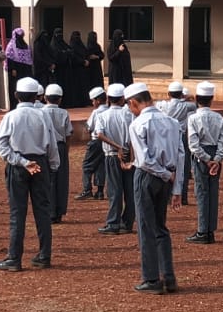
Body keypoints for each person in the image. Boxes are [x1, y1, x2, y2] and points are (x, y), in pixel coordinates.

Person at [0, 76, 58, 271]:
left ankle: (14, 257)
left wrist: (21, 162)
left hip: (19, 165)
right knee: (43, 211)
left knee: (17, 213)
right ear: (36, 97)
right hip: (40, 164)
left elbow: (1, 145)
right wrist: (52, 167)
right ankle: (44, 255)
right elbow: (52, 144)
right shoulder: (43, 115)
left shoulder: (11, 117)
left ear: (16, 96)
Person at [125, 82, 183, 294]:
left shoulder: (138, 124)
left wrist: (166, 174)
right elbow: (180, 155)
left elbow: (144, 160)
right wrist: (176, 187)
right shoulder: (172, 122)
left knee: (146, 228)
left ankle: (151, 278)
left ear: (133, 103)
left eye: (130, 107)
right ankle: (168, 276)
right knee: (160, 226)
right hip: (167, 177)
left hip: (148, 176)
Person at [186, 82, 223, 245]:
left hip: (201, 158)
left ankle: (203, 230)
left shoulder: (193, 118)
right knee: (213, 192)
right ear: (211, 99)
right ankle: (210, 230)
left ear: (197, 99)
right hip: (215, 156)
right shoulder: (218, 118)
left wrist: (206, 160)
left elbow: (193, 144)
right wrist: (216, 159)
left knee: (202, 193)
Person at [94, 84, 134, 234]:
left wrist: (116, 147)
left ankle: (113, 223)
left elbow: (99, 134)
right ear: (123, 98)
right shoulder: (129, 114)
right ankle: (127, 222)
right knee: (129, 190)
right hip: (129, 154)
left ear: (108, 99)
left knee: (114, 190)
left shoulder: (103, 115)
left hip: (111, 154)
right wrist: (126, 150)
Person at [158, 83, 196, 206]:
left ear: (168, 94)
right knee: (183, 166)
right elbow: (196, 103)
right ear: (181, 94)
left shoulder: (163, 105)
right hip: (180, 136)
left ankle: (167, 195)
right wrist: (187, 98)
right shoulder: (186, 106)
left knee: (167, 165)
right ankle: (182, 196)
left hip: (165, 138)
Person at [43, 84, 73, 224]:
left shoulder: (41, 112)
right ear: (60, 99)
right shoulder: (64, 113)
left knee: (47, 179)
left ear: (45, 98)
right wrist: (65, 150)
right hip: (60, 146)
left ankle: (49, 211)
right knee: (61, 180)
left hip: (45, 147)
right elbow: (68, 134)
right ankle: (59, 211)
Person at [77, 86, 108, 200]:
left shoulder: (96, 112)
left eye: (93, 100)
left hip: (96, 141)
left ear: (98, 100)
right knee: (100, 165)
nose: (92, 103)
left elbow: (89, 127)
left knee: (87, 165)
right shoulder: (108, 109)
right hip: (106, 142)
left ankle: (87, 189)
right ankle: (100, 191)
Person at [3, 28, 32, 105]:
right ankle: (14, 104)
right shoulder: (11, 46)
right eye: (19, 35)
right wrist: (12, 69)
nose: (21, 37)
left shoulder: (25, 45)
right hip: (16, 70)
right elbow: (9, 57)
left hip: (25, 70)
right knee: (15, 86)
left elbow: (29, 57)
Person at [81, 30, 105, 95]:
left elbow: (102, 55)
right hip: (90, 68)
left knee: (98, 82)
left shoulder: (97, 46)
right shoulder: (86, 47)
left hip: (97, 68)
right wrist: (89, 57)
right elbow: (84, 56)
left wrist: (97, 57)